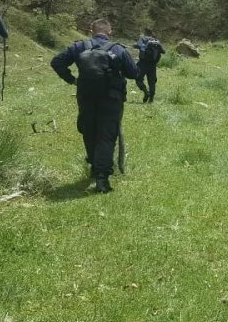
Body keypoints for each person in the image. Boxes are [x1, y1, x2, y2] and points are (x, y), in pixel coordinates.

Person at [51, 19, 139, 193]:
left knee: (89, 130)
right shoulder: (118, 49)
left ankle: (94, 165)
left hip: (86, 97)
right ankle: (102, 178)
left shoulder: (79, 47)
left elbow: (57, 62)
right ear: (109, 31)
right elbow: (133, 73)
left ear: (91, 31)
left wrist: (72, 80)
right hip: (111, 98)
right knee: (106, 135)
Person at [133, 28, 165, 103]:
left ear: (144, 32)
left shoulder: (143, 39)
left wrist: (134, 45)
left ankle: (146, 92)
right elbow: (163, 51)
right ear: (152, 33)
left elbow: (137, 45)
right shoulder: (156, 41)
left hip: (142, 64)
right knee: (152, 82)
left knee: (138, 79)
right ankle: (151, 99)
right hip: (153, 65)